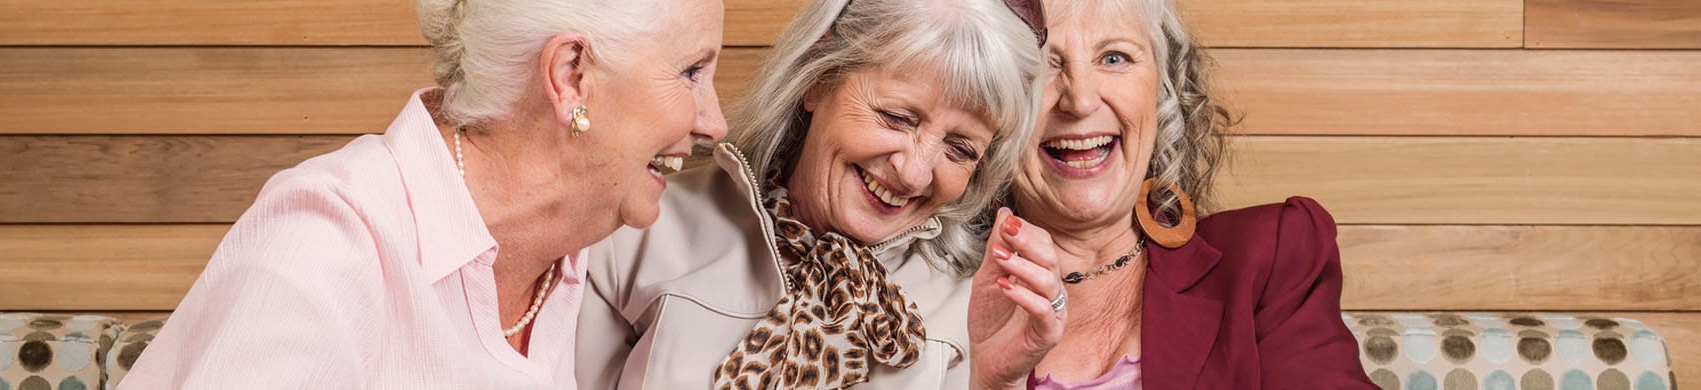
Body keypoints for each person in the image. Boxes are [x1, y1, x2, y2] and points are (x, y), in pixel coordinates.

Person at [118, 0, 728, 387]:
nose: (714, 122)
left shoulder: (573, 262)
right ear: (571, 75)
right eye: (691, 72)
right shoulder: (330, 241)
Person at [573, 0, 1045, 388]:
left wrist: (993, 382)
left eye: (960, 148)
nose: (916, 172)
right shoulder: (632, 232)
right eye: (897, 118)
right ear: (818, 79)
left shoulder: (974, 309)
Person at [965, 0, 1376, 388]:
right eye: (1040, 66)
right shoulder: (932, 300)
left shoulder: (1267, 259)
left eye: (1114, 58)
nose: (1081, 100)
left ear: (1162, 93)